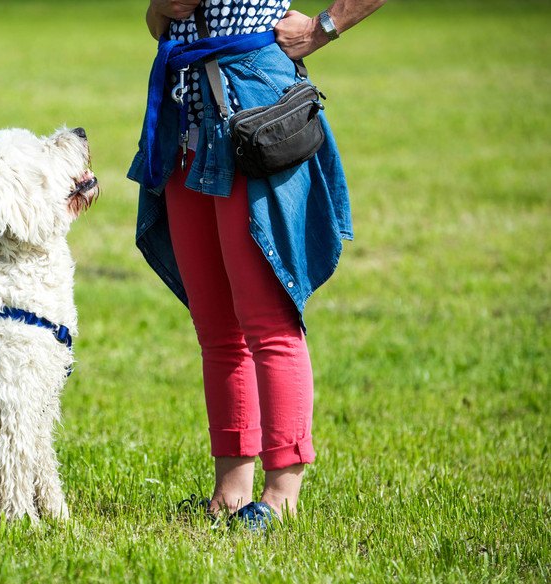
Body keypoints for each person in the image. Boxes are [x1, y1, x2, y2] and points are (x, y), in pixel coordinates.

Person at [128, 0, 386, 529]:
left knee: (267, 320)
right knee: (216, 329)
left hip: (253, 116)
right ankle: (230, 492)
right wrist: (162, 7)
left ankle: (282, 493)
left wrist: (324, 27)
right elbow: (158, 23)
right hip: (187, 122)